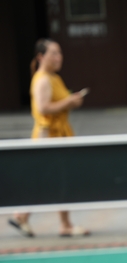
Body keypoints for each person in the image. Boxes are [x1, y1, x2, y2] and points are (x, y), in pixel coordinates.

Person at [8, 38, 90, 238]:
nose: (58, 57)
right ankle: (64, 225)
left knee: (48, 180)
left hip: (59, 136)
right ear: (40, 57)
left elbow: (58, 104)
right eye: (53, 53)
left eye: (59, 53)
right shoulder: (43, 79)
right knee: (59, 180)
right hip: (49, 137)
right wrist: (69, 101)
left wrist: (71, 101)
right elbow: (43, 108)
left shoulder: (54, 78)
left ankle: (22, 216)